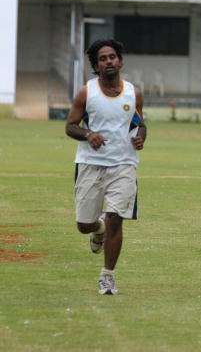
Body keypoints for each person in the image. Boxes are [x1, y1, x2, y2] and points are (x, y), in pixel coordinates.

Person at [65, 39, 146, 295]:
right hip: (90, 164)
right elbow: (70, 126)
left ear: (120, 61)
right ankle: (95, 230)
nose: (109, 61)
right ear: (96, 66)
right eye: (103, 58)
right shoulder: (86, 93)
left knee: (115, 220)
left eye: (113, 57)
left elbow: (139, 123)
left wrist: (141, 135)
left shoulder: (134, 93)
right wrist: (88, 135)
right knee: (83, 225)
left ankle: (108, 276)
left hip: (124, 165)